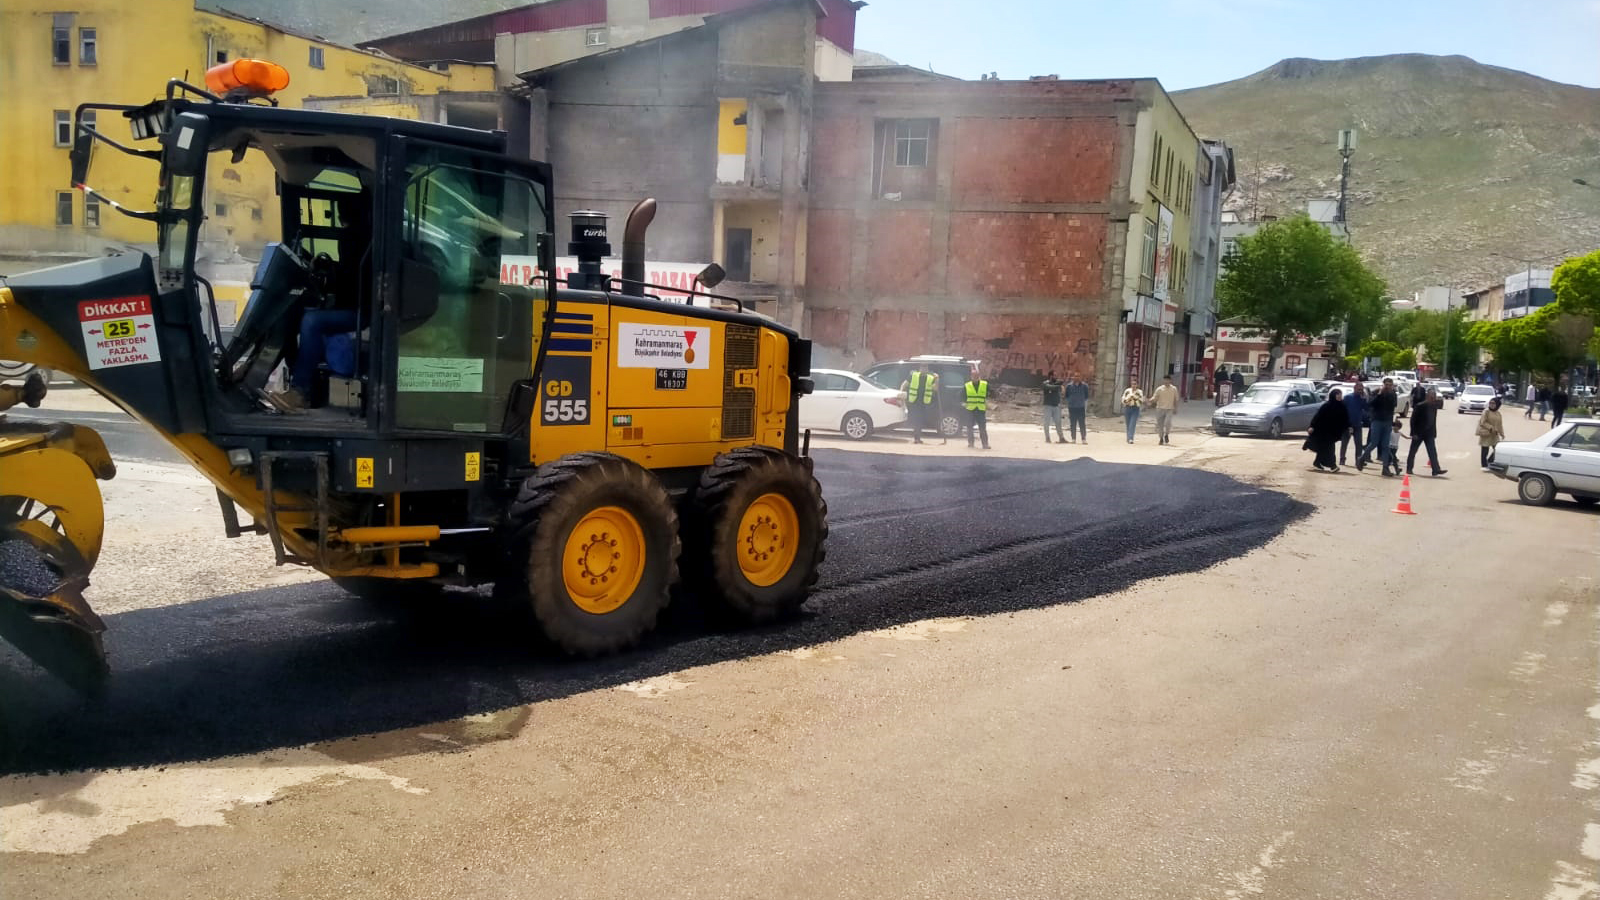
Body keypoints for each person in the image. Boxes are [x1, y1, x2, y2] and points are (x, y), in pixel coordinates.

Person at [1304, 387, 1351, 471]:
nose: (1340, 396)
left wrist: (1349, 427)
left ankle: (1317, 462)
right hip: (1323, 430)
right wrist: (1312, 426)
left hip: (1333, 432)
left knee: (1324, 448)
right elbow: (1318, 417)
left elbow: (1345, 418)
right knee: (1330, 448)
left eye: (1340, 395)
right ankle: (1333, 466)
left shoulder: (1342, 406)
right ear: (1333, 395)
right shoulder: (1327, 405)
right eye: (1338, 395)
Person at [1406, 385, 1447, 476]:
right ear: (1427, 396)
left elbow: (1433, 420)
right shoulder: (1420, 406)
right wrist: (1413, 433)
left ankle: (1436, 469)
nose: (1433, 399)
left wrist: (1434, 432)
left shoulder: (1434, 406)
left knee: (1432, 451)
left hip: (1429, 433)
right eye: (1432, 397)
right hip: (1419, 432)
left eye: (1434, 397)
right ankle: (1409, 468)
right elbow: (1413, 420)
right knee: (1413, 451)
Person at [900, 362, 945, 445]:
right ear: (919, 369)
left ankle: (917, 437)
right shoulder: (913, 376)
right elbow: (904, 384)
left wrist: (937, 380)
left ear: (927, 369)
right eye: (922, 368)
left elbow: (935, 388)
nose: (924, 369)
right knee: (917, 419)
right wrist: (901, 392)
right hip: (914, 402)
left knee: (920, 420)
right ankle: (916, 438)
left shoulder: (930, 378)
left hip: (923, 403)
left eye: (925, 368)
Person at [1361, 377, 1398, 475]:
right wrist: (1379, 395)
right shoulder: (1376, 392)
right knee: (1374, 443)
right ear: (1383, 384)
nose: (1388, 387)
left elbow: (1394, 405)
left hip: (1387, 422)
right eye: (1387, 385)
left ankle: (1385, 468)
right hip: (1377, 421)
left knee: (1385, 446)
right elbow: (1370, 404)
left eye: (1390, 385)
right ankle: (1361, 459)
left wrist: (1389, 395)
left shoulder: (1393, 394)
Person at [1340, 381, 1370, 470]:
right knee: (1344, 443)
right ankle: (1342, 459)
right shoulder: (1348, 397)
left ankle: (1358, 460)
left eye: (1361, 389)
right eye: (1359, 389)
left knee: (1358, 444)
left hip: (1358, 424)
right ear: (1354, 388)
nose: (1360, 391)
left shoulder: (1361, 399)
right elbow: (1343, 410)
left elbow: (1367, 409)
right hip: (1348, 424)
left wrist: (1364, 398)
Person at [1149, 374, 1180, 445]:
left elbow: (1176, 399)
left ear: (1170, 380)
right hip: (1160, 409)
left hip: (1169, 409)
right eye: (1165, 380)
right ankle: (1161, 438)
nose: (1166, 381)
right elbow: (1155, 397)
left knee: (1167, 423)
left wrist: (1176, 408)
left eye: (1168, 380)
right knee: (1160, 425)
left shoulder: (1174, 389)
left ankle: (1167, 434)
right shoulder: (1159, 389)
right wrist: (1149, 400)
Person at [1476, 396, 1505, 470]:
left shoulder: (1498, 413)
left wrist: (1502, 433)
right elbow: (1482, 422)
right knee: (1485, 450)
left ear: (1498, 405)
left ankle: (1489, 461)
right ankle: (1484, 465)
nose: (1491, 405)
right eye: (1490, 403)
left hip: (1494, 435)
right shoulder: (1486, 411)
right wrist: (1491, 427)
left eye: (1493, 403)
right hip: (1486, 433)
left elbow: (1500, 424)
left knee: (1498, 449)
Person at [964, 370, 990, 450]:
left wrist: (988, 402)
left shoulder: (984, 384)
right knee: (969, 427)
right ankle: (970, 443)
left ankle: (985, 444)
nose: (975, 378)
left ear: (979, 376)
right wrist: (963, 403)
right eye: (973, 376)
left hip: (980, 409)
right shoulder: (967, 385)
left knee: (982, 428)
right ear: (971, 376)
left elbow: (990, 393)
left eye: (976, 376)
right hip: (970, 409)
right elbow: (962, 396)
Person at [1040, 371, 1066, 443]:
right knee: (1047, 422)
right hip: (1048, 405)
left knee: (1058, 422)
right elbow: (1051, 387)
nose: (1056, 376)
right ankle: (1047, 438)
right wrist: (1059, 385)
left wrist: (1061, 385)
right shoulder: (1045, 383)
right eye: (1054, 375)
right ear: (1051, 376)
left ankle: (1061, 438)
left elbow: (1062, 391)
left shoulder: (1057, 384)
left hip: (1056, 406)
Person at [1064, 374, 1090, 444]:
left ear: (1081, 377)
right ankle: (1073, 439)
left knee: (1082, 424)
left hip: (1081, 407)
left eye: (1078, 376)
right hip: (1072, 408)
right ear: (1073, 377)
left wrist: (1080, 401)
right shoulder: (1069, 386)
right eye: (1075, 376)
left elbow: (1086, 396)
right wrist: (1071, 401)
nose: (1076, 377)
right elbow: (1066, 396)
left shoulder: (1084, 386)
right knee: (1073, 424)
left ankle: (1083, 439)